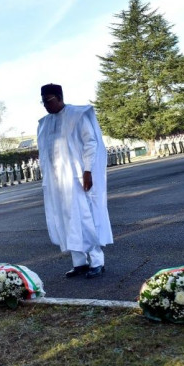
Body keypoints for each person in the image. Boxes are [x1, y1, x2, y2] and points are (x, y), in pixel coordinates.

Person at [37, 83, 113, 279]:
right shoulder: (44, 123)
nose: (45, 105)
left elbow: (91, 143)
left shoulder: (77, 115)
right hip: (57, 182)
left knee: (85, 218)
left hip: (77, 177)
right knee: (66, 220)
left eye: (49, 100)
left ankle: (97, 261)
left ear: (60, 97)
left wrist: (88, 170)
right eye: (43, 101)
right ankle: (79, 262)